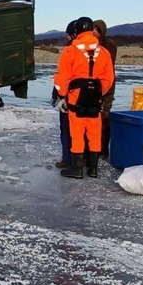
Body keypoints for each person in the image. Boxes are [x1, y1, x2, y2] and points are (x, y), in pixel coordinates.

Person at [53, 17, 115, 179]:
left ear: (76, 31)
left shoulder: (70, 51)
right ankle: (93, 170)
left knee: (77, 133)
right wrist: (99, 92)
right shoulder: (104, 52)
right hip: (95, 97)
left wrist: (62, 97)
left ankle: (76, 169)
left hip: (76, 97)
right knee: (94, 132)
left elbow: (62, 77)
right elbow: (109, 78)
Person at [52, 21, 77, 169]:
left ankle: (68, 159)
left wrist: (59, 96)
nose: (67, 37)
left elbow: (62, 77)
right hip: (89, 99)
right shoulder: (97, 51)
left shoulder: (69, 52)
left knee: (67, 130)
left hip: (69, 98)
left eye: (68, 34)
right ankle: (86, 161)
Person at [93, 19, 118, 157]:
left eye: (96, 30)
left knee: (104, 118)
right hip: (93, 89)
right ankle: (93, 149)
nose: (94, 32)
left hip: (106, 88)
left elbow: (106, 66)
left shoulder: (109, 45)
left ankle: (103, 150)